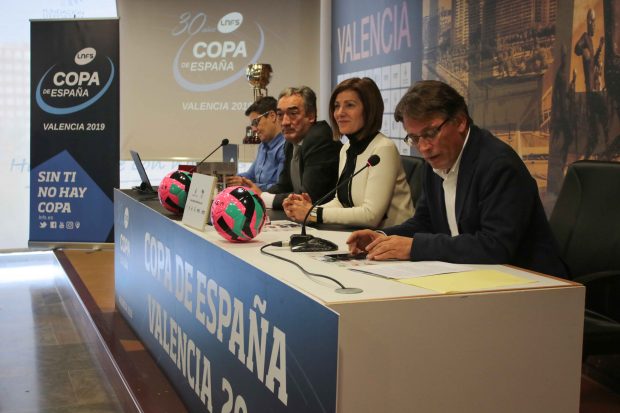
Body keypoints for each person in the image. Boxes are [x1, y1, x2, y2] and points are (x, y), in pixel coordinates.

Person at [347, 80, 567, 277]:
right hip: (474, 276)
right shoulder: (436, 160)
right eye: (414, 138)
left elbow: (494, 246)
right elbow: (425, 222)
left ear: (460, 121)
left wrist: (414, 247)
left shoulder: (498, 165)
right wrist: (381, 237)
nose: (423, 147)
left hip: (531, 283)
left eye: (430, 133)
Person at [282, 77, 413, 228]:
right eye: (336, 106)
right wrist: (306, 209)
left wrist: (313, 213)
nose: (339, 113)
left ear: (369, 109)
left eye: (349, 105)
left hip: (392, 240)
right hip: (360, 237)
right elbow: (340, 201)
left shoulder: (383, 148)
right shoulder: (346, 149)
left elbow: (371, 215)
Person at [241, 86, 341, 210]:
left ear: (311, 116)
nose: (284, 122)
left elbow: (307, 197)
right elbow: (284, 186)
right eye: (280, 115)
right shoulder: (290, 143)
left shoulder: (319, 139)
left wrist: (263, 197)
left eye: (293, 114)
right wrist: (257, 196)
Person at [226, 96, 285, 190]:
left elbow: (281, 188)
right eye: (252, 124)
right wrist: (233, 178)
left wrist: (247, 185)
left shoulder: (286, 148)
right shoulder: (262, 146)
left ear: (272, 116)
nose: (253, 129)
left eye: (256, 122)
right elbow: (251, 175)